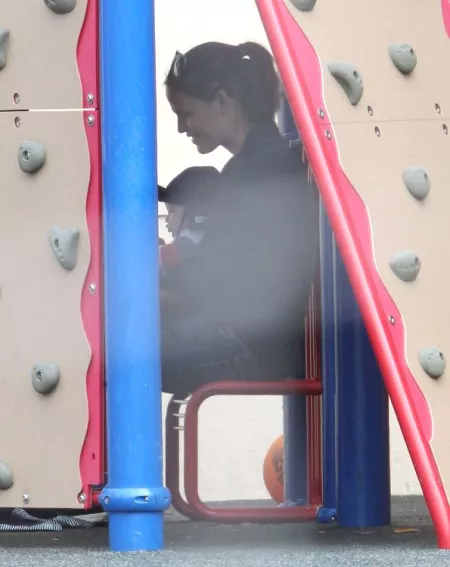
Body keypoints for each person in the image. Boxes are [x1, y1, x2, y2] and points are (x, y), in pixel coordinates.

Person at [160, 41, 319, 396]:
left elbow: (212, 277)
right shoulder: (264, 161)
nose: (182, 127)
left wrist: (148, 294)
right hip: (256, 339)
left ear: (222, 101)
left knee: (117, 355)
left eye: (186, 113)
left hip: (248, 345)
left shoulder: (257, 170)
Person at [158, 166, 220, 276]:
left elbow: (148, 260)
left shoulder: (189, 242)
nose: (167, 219)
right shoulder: (215, 238)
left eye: (172, 211)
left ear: (196, 213)